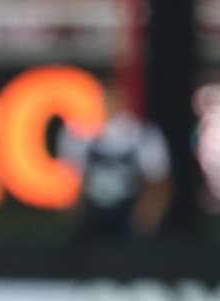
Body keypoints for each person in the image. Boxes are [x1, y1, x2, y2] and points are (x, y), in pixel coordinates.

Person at [59, 76, 172, 240]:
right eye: (104, 99)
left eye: (113, 99)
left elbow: (159, 180)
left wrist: (147, 215)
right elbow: (69, 178)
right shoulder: (78, 135)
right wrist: (74, 211)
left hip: (128, 216)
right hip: (91, 215)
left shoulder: (143, 135)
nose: (108, 104)